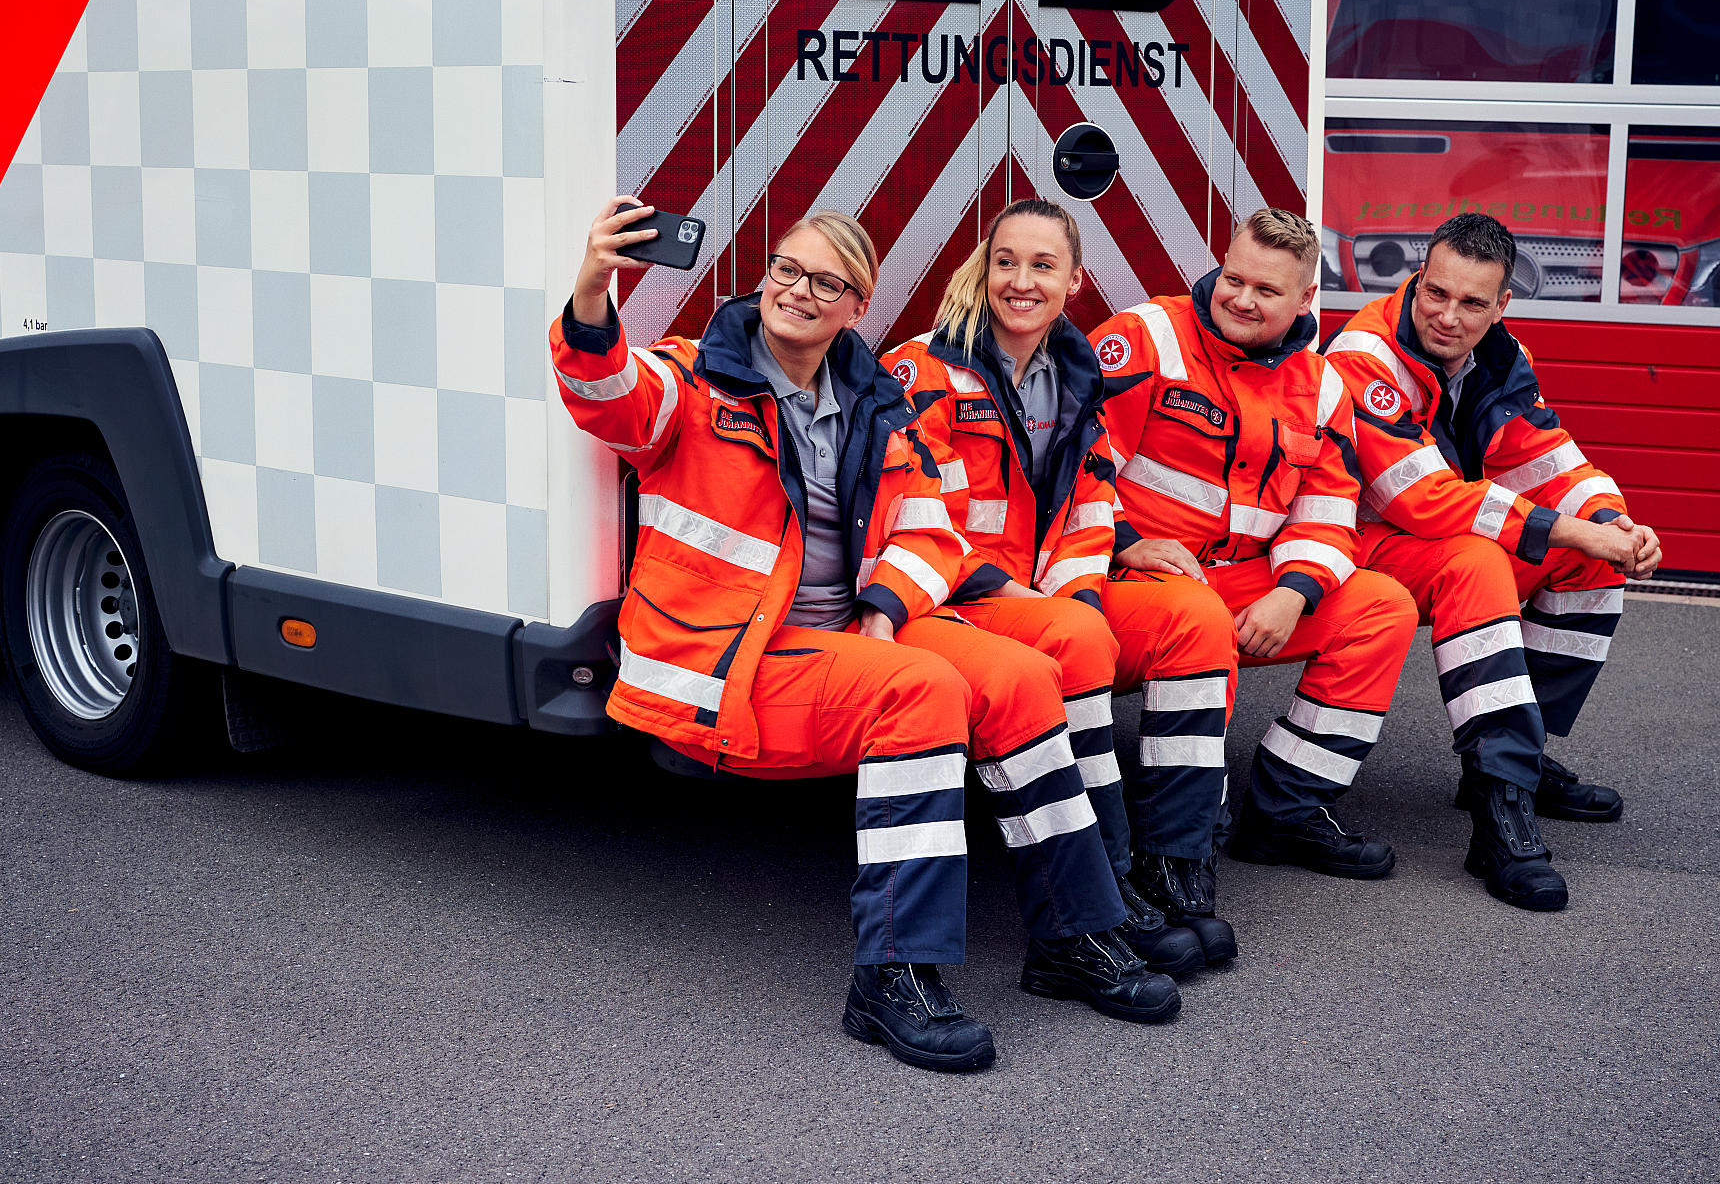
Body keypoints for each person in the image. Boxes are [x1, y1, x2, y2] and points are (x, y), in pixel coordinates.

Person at [551, 199, 1178, 1074]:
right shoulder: (696, 379)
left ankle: (1074, 936)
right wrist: (593, 285)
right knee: (921, 693)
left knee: (1025, 675)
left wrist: (884, 614)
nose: (798, 292)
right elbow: (606, 394)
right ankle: (890, 977)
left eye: (827, 283)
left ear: (859, 306)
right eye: (786, 271)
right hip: (728, 659)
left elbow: (930, 531)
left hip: (845, 635)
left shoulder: (877, 401)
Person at [883, 198, 1238, 976]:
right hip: (946, 597)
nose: (1020, 281)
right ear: (984, 267)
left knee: (1195, 617)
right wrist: (1036, 604)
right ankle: (1105, 887)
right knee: (1076, 639)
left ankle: (1173, 869)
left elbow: (1093, 503)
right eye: (1006, 261)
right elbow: (910, 516)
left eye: (1042, 266)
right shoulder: (923, 368)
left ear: (1074, 281)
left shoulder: (1075, 372)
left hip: (1043, 596)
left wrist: (1075, 595)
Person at [1323, 212, 1661, 911]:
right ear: (1417, 277)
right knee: (1480, 561)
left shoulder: (1502, 354)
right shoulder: (1365, 354)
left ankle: (1517, 766)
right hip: (1358, 545)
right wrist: (1564, 528)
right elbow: (1414, 497)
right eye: (1435, 293)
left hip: (1435, 537)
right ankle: (1499, 817)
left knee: (1589, 563)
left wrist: (1613, 523)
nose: (1448, 316)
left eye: (1472, 303)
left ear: (1502, 303)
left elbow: (1544, 457)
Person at [1089, 208, 1419, 884]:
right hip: (1124, 581)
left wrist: (1292, 594)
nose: (1240, 299)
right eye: (1233, 279)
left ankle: (1288, 809)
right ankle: (1176, 844)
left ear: (1305, 299)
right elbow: (1073, 463)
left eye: (1266, 292)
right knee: (1199, 618)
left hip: (1241, 585)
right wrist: (1126, 541)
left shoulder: (1323, 385)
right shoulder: (1146, 336)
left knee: (1383, 606)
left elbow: (1329, 514)